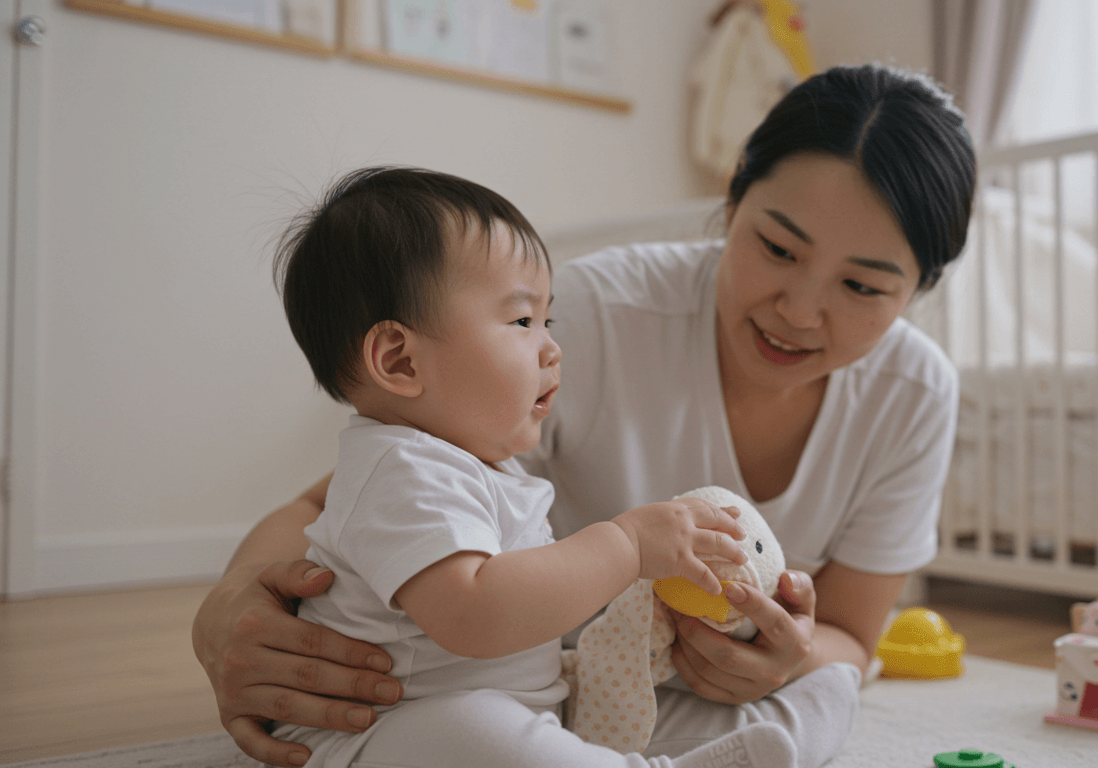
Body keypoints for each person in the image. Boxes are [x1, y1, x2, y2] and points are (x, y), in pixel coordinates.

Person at [193, 63, 976, 768]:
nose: (800, 310)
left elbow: (850, 636)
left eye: (864, 288)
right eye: (777, 248)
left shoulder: (914, 393)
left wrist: (789, 657)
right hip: (465, 698)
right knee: (475, 733)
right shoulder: (592, 317)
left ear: (918, 291)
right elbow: (336, 504)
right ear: (734, 197)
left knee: (831, 687)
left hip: (603, 681)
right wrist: (228, 613)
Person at [259, 165, 807, 768]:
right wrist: (624, 545)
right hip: (383, 734)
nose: (551, 347)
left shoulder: (480, 466)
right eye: (522, 322)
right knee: (474, 729)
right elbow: (474, 616)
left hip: (523, 708)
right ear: (401, 360)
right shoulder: (401, 470)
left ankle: (794, 724)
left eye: (549, 321)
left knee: (649, 699)